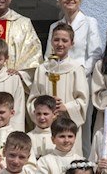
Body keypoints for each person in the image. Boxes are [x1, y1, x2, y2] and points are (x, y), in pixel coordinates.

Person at [28, 23, 89, 156]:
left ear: (71, 43)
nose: (60, 44)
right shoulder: (42, 69)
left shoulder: (76, 69)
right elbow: (32, 100)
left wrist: (66, 107)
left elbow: (83, 101)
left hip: (66, 128)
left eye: (64, 40)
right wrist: (43, 112)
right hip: (44, 130)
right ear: (51, 41)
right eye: (56, 40)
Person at [44, 0, 102, 77]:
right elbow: (48, 56)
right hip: (58, 78)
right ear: (60, 0)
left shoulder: (89, 23)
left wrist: (80, 73)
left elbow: (95, 55)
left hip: (81, 78)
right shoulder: (54, 27)